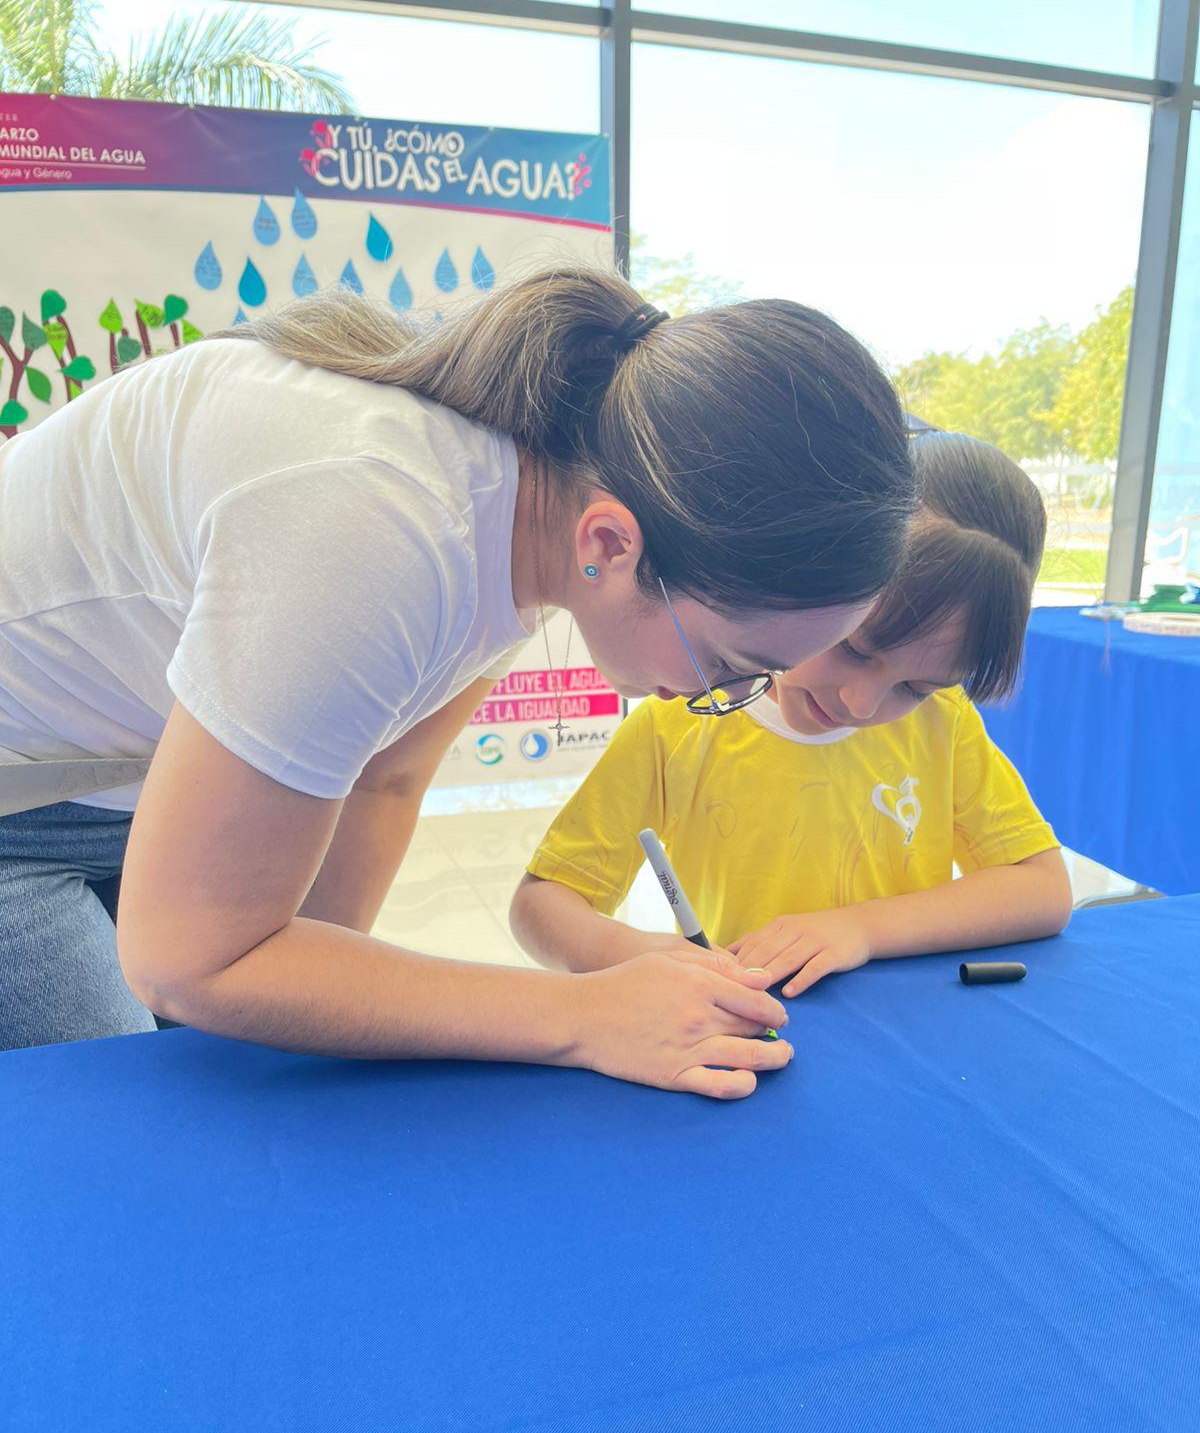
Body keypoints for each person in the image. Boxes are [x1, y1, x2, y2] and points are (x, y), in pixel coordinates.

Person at [0, 266, 915, 1097]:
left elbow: (385, 779)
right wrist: (586, 1016)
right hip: (18, 803)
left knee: (253, 1089)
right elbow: (188, 961)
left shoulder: (528, 496)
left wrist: (302, 1003)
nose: (711, 697)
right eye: (728, 667)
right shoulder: (380, 526)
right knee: (128, 1127)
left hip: (126, 778)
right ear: (613, 544)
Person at [511, 429, 1073, 992]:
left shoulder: (942, 724)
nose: (862, 702)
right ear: (804, 577)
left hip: (909, 1031)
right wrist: (636, 955)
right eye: (853, 648)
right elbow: (541, 904)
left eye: (916, 686)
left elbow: (1043, 889)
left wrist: (861, 929)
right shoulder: (677, 726)